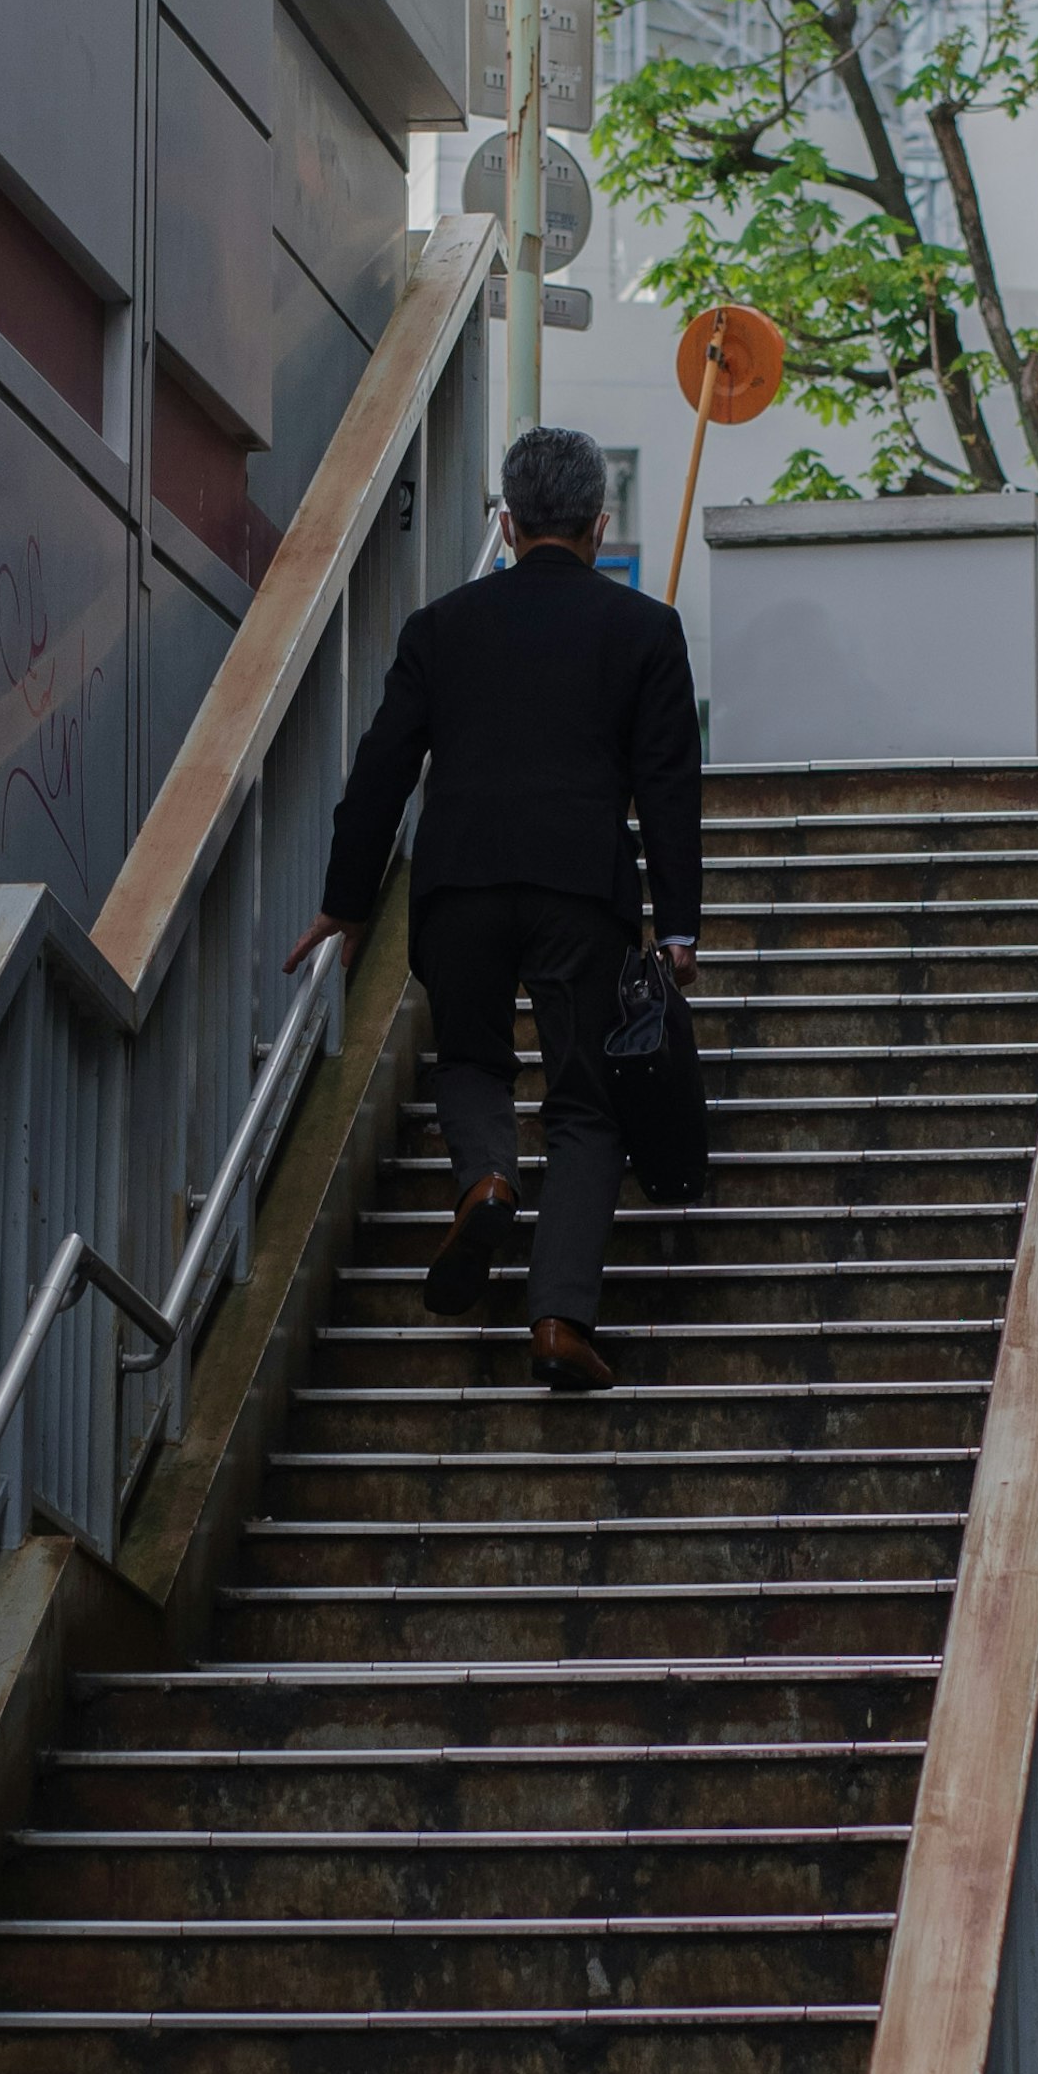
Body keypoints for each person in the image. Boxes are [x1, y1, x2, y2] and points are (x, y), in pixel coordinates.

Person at [293, 419, 704, 1395]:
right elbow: (668, 780)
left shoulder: (442, 629)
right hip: (580, 889)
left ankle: (486, 1177)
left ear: (509, 523)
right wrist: (678, 924)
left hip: (459, 883)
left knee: (472, 1058)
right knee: (586, 1107)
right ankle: (559, 1320)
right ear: (598, 525)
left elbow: (382, 769)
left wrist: (345, 908)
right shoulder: (645, 630)